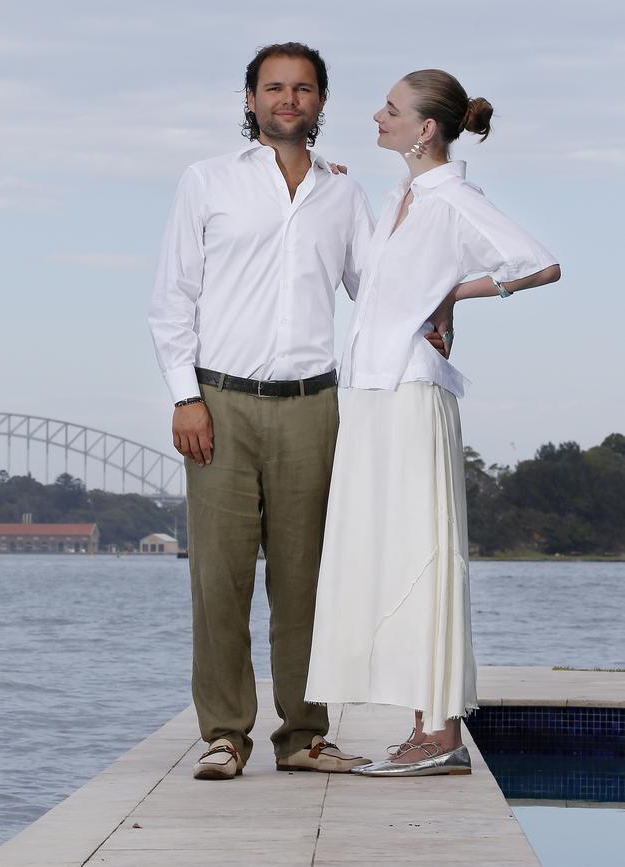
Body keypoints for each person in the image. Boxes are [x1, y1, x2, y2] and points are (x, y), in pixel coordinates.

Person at [148, 44, 448, 781]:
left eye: (303, 88)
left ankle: (305, 736)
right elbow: (172, 298)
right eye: (274, 87)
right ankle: (224, 733)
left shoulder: (344, 195)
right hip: (218, 400)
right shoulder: (207, 182)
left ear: (320, 103)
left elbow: (376, 287)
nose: (289, 99)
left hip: (315, 406)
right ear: (249, 99)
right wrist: (185, 394)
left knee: (306, 580)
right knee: (219, 578)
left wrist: (435, 309)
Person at [305, 68, 561, 777]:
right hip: (373, 390)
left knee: (422, 550)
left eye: (391, 109)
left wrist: (458, 290)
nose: (376, 115)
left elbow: (540, 264)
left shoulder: (452, 197)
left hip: (414, 393)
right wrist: (323, 173)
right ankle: (426, 726)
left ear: (426, 129)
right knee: (386, 549)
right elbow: (380, 286)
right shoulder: (401, 198)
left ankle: (440, 731)